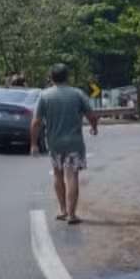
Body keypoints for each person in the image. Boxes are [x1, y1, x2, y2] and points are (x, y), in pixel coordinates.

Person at [30, 64, 99, 225]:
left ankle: (62, 210)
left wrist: (33, 143)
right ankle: (72, 214)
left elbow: (36, 122)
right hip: (74, 143)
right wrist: (94, 127)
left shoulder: (44, 96)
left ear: (51, 78)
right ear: (67, 77)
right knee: (72, 176)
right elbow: (91, 115)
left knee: (58, 174)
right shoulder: (78, 94)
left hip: (54, 143)